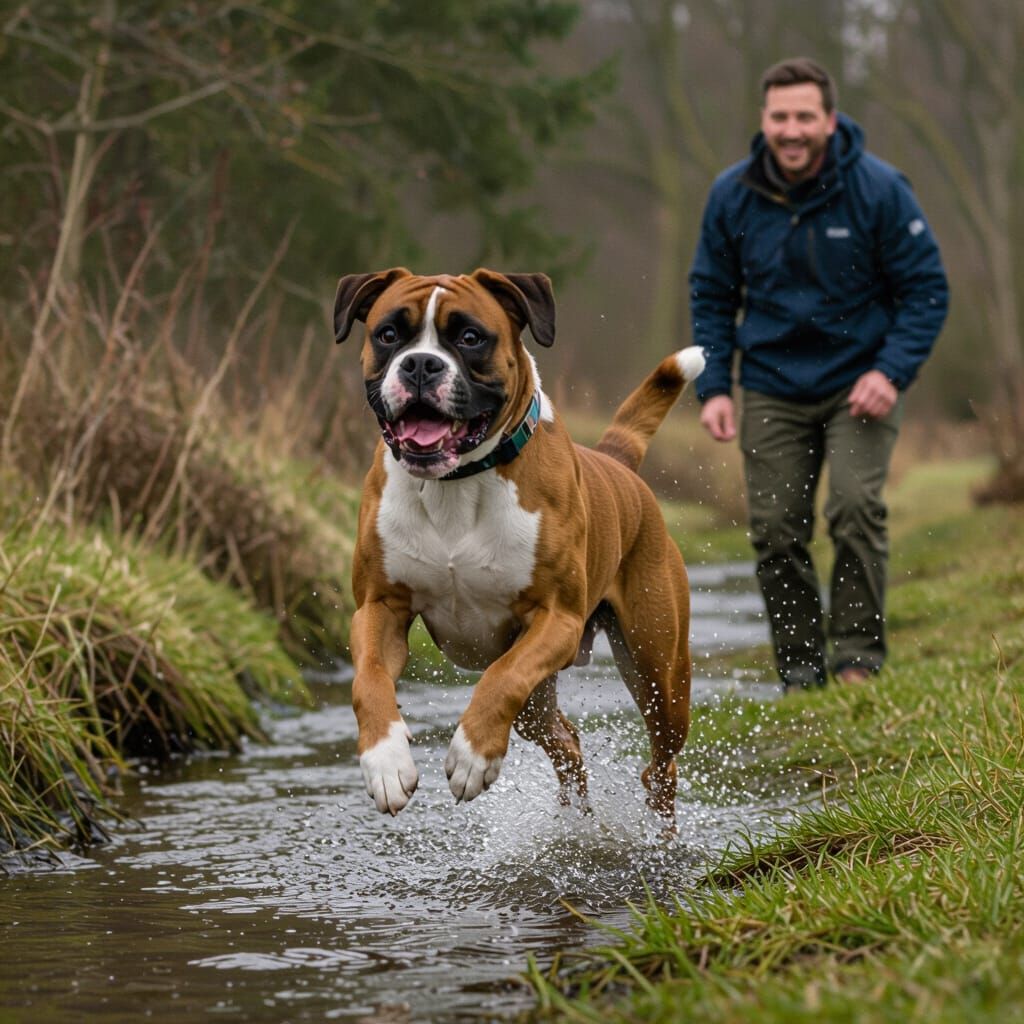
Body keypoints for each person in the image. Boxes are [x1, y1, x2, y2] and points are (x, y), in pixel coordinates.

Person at [689, 57, 948, 689]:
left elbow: (926, 291)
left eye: (806, 116)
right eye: (780, 117)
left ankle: (857, 662)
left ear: (829, 120)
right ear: (764, 121)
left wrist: (890, 372)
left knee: (855, 508)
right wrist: (716, 384)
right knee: (776, 530)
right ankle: (801, 673)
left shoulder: (880, 190)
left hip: (861, 384)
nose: (792, 129)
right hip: (773, 385)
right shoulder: (732, 194)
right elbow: (712, 295)